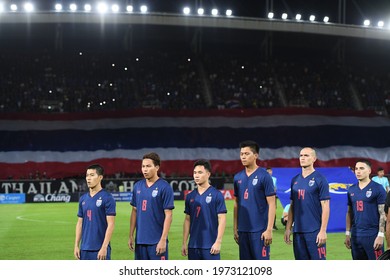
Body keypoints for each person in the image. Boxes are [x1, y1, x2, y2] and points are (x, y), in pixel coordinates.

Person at [284, 147, 330, 260]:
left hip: (314, 231)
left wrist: (323, 231)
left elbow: (325, 206)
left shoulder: (320, 179)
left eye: (306, 155)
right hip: (298, 232)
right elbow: (292, 206)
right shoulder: (294, 180)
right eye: (301, 155)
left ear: (314, 158)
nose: (303, 158)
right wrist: (288, 228)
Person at [233, 140, 276, 260]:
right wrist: (235, 228)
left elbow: (272, 204)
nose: (243, 157)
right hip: (243, 230)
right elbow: (236, 204)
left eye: (247, 154)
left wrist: (269, 230)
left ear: (256, 155)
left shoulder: (264, 176)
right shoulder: (237, 177)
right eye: (241, 154)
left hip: (260, 231)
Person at [128, 152, 175, 260]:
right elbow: (134, 211)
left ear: (157, 167)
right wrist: (131, 235)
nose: (145, 169)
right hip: (140, 241)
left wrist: (163, 240)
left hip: (157, 241)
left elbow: (169, 215)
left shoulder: (165, 187)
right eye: (143, 166)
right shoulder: (137, 186)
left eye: (148, 166)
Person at [182, 159, 227, 260]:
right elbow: (187, 220)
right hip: (193, 246)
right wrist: (184, 242)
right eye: (194, 173)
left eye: (200, 172)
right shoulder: (190, 196)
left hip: (210, 246)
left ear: (208, 174)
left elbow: (222, 219)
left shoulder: (217, 195)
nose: (196, 175)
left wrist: (218, 242)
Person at [344, 159, 386, 260]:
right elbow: (349, 212)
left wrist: (380, 235)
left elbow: (383, 213)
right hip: (356, 236)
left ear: (369, 171)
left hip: (372, 235)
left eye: (362, 168)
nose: (358, 171)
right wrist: (347, 233)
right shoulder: (351, 189)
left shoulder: (378, 188)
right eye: (356, 169)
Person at [74, 164, 116, 260]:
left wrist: (104, 247)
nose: (88, 178)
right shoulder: (83, 199)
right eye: (87, 175)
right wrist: (76, 245)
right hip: (84, 249)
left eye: (92, 175)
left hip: (100, 249)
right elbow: (79, 223)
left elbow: (111, 224)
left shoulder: (107, 198)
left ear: (100, 177)